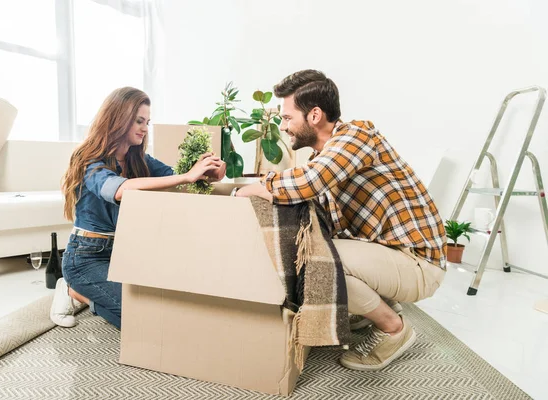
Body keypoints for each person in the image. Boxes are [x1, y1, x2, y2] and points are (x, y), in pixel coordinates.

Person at [234, 70, 447, 371]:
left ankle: (394, 329)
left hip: (419, 264)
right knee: (320, 246)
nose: (283, 127)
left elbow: (309, 182)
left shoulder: (357, 136)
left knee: (319, 259)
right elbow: (310, 188)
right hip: (393, 255)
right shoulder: (324, 156)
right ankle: (377, 306)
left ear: (315, 115)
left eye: (287, 118)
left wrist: (255, 188)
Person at [50, 87, 224, 329]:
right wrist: (187, 176)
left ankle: (90, 292)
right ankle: (72, 290)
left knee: (165, 310)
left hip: (125, 253)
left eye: (147, 122)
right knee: (140, 321)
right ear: (118, 119)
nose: (144, 128)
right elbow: (118, 189)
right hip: (86, 257)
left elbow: (179, 178)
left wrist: (212, 172)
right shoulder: (89, 159)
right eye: (139, 121)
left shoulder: (139, 159)